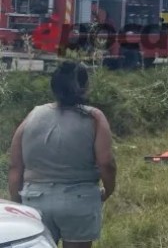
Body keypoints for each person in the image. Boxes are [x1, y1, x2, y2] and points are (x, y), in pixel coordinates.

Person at [7, 61, 117, 247]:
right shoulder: (94, 117)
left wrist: (18, 204)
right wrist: (108, 190)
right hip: (78, 201)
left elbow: (15, 166)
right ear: (85, 86)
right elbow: (106, 163)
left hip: (35, 199)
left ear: (54, 86)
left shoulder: (33, 115)